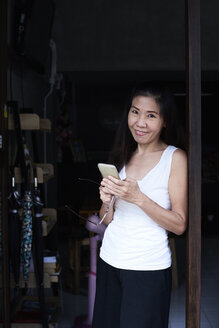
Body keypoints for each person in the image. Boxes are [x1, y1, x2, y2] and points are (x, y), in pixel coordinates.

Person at [92, 84, 188, 328]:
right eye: (135, 112)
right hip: (110, 262)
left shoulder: (174, 158)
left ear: (165, 121)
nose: (140, 123)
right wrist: (107, 202)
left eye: (151, 115)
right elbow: (107, 219)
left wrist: (139, 198)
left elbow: (179, 225)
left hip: (148, 269)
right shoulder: (123, 154)